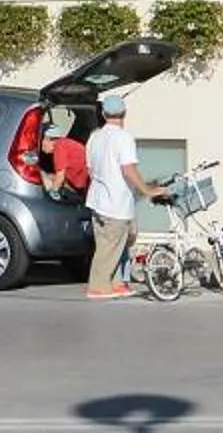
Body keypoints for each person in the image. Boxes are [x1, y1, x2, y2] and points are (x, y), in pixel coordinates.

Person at [83, 87, 165, 297]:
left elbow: (90, 170)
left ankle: (117, 283)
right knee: (110, 246)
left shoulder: (95, 138)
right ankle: (98, 287)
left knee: (120, 240)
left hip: (97, 201)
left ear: (103, 115)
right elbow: (128, 169)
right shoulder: (123, 138)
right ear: (125, 113)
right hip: (116, 203)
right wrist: (148, 190)